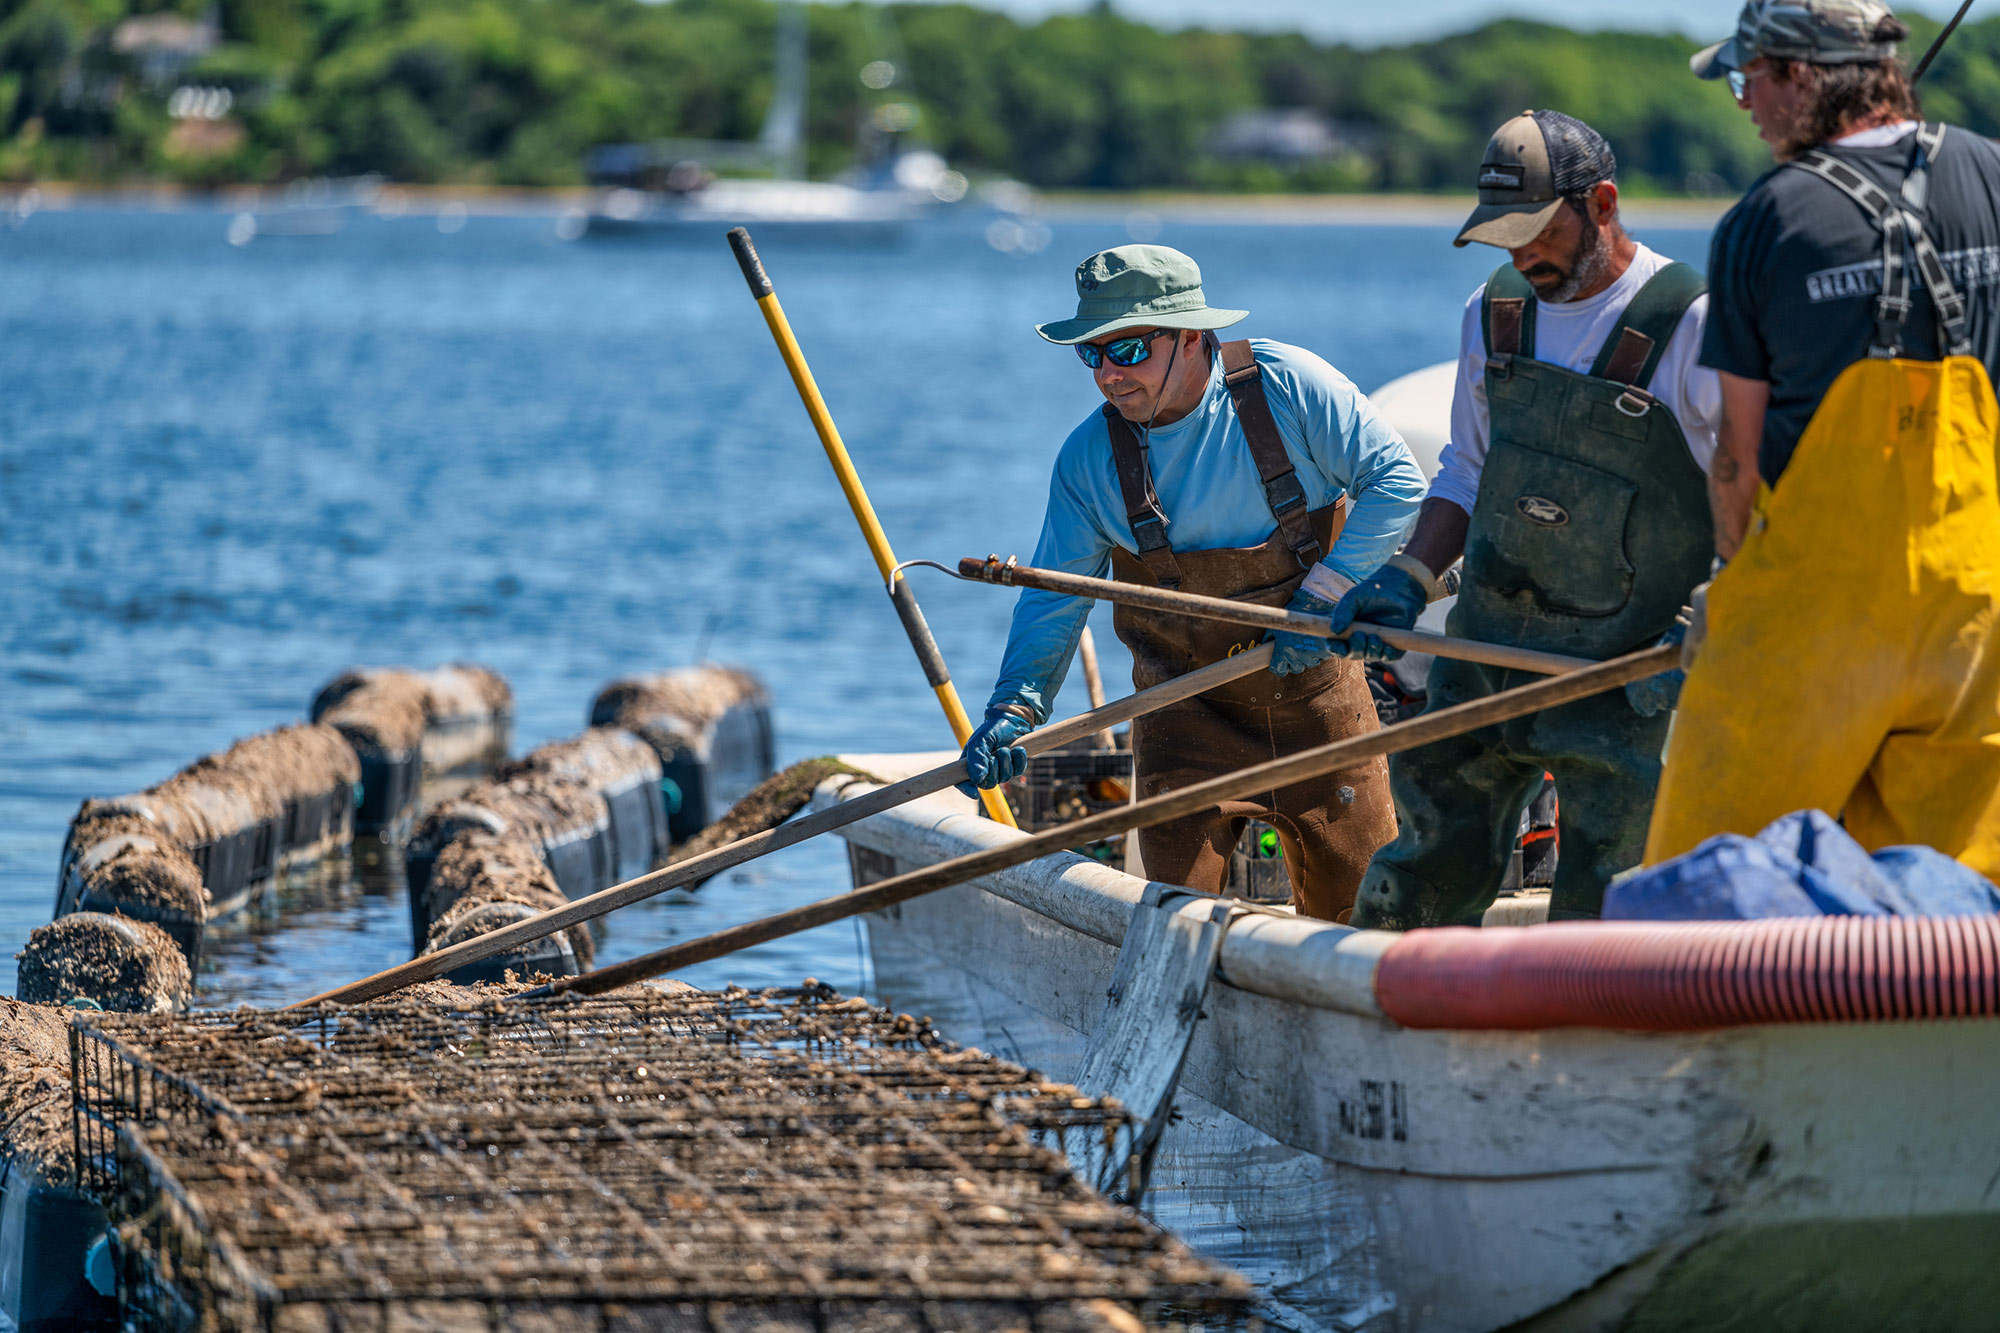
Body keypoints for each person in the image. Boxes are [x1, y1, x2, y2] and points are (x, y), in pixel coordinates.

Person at [1332, 111, 1724, 928]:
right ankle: (1393, 1016)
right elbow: (1467, 470)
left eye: (1536, 232)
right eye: (1503, 238)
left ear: (1603, 202)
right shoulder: (1494, 311)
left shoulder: (1689, 323)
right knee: (1420, 863)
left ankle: (1597, 1041)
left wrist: (1698, 622)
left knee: (1609, 900)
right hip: (1488, 646)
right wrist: (1407, 577)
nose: (1520, 256)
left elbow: (1750, 497)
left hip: (1626, 676)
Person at [958, 245, 1426, 921]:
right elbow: (1054, 596)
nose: (1110, 377)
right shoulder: (1089, 460)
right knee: (1168, 926)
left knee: (1366, 924)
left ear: (1190, 336)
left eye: (1130, 350)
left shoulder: (1288, 388)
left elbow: (1398, 485)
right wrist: (1014, 710)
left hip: (1321, 709)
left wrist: (1325, 594)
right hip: (1184, 721)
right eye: (1093, 354)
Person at [1645, 0, 2000, 875]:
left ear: (1801, 75)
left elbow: (1738, 451)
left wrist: (1730, 591)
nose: (1743, 102)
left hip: (1818, 611)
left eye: (1749, 78)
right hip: (1977, 604)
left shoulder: (1764, 219)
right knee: (1959, 887)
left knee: (1711, 876)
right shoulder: (1992, 172)